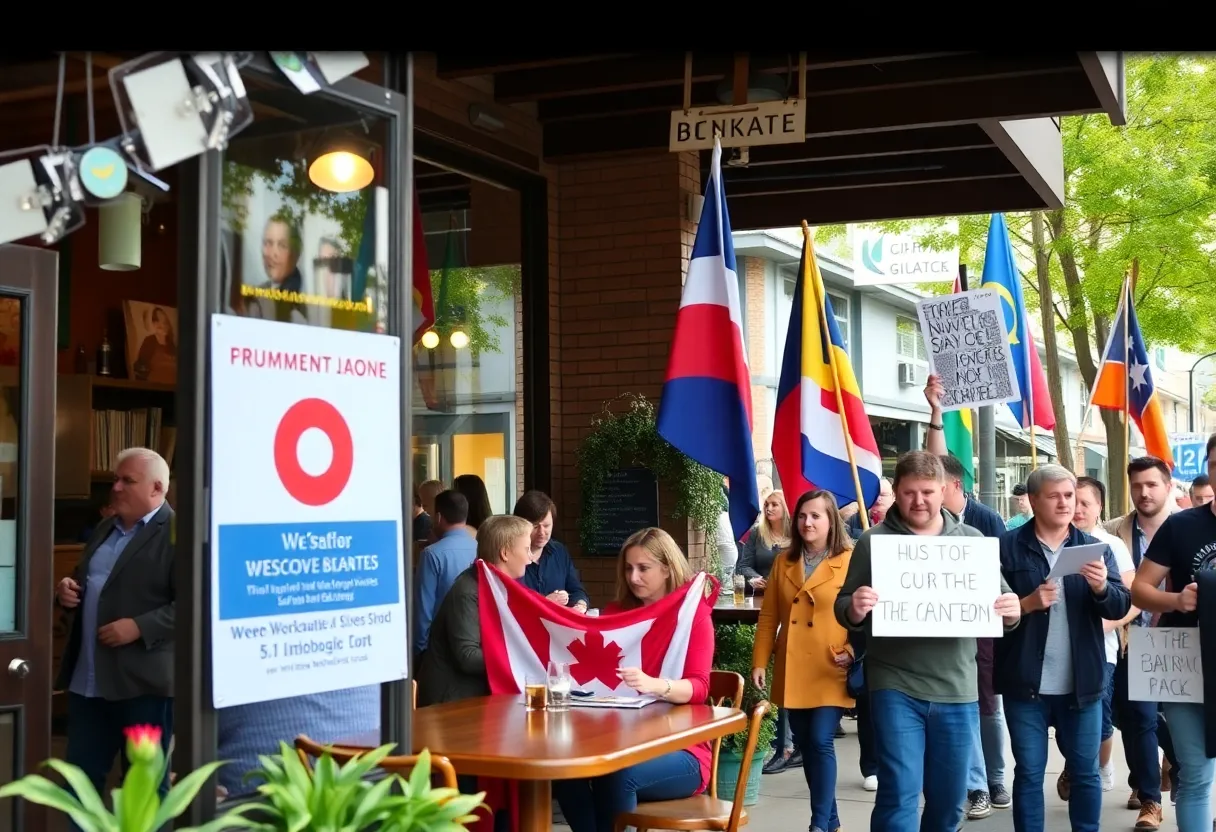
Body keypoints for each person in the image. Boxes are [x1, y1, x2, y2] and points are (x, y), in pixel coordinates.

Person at [835, 451, 1022, 832]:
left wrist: (1012, 609)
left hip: (956, 687)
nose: (918, 501)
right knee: (899, 793)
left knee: (949, 799)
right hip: (895, 685)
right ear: (897, 492)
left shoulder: (971, 541)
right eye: (908, 493)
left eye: (926, 492)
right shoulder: (874, 541)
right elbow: (843, 608)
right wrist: (855, 607)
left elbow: (1005, 609)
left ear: (944, 491)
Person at [996, 464, 1132, 832]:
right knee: (1028, 773)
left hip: (1083, 685)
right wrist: (1027, 602)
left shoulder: (1092, 548)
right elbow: (986, 612)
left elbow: (1121, 606)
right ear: (1034, 500)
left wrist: (1103, 587)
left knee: (1086, 773)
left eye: (1069, 496)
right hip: (1026, 685)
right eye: (1054, 496)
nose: (1064, 503)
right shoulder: (1006, 547)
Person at [554, 528, 715, 832]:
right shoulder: (617, 613)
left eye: (643, 568)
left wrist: (655, 684)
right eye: (628, 568)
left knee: (617, 775)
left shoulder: (693, 616)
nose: (633, 577)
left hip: (684, 750)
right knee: (566, 770)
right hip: (620, 741)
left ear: (667, 569)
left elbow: (699, 687)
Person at [55, 448, 175, 824]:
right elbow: (87, 579)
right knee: (79, 787)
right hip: (88, 683)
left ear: (157, 488)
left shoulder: (177, 532)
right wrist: (66, 591)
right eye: (115, 479)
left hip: (143, 686)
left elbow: (197, 603)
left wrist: (140, 626)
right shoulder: (107, 528)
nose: (116, 487)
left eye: (128, 481)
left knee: (144, 789)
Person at [752, 490, 854, 832]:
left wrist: (853, 651)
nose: (807, 522)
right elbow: (768, 617)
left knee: (821, 740)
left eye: (816, 516)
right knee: (806, 743)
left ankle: (819, 825)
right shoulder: (784, 560)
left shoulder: (852, 558)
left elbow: (867, 615)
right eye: (802, 516)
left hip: (831, 665)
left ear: (831, 521)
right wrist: (760, 661)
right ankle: (832, 819)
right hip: (792, 665)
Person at [1132, 432, 1216, 832]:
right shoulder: (1181, 526)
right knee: (1196, 774)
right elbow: (1140, 589)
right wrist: (1177, 601)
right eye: (1215, 464)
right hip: (1185, 664)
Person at [935, 453, 1010, 818]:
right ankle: (976, 785)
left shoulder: (985, 521)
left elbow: (1002, 574)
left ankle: (995, 779)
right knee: (965, 709)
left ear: (954, 486)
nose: (927, 497)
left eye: (936, 487)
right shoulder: (915, 529)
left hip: (980, 631)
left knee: (987, 707)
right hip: (938, 635)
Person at [1055, 476, 1138, 804]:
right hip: (1057, 654)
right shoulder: (1052, 540)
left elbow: (1131, 597)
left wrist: (1105, 624)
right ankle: (1077, 763)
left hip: (1098, 651)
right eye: (1072, 501)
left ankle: (1094, 767)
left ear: (1099, 507)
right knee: (1062, 723)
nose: (1076, 509)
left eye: (1084, 503)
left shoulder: (1110, 546)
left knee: (1100, 716)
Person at [1105, 456, 1172, 820]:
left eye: (1151, 485)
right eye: (1136, 486)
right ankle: (1150, 798)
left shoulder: (1186, 527)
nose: (1143, 493)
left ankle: (1173, 766)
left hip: (1182, 639)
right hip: (1134, 639)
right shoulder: (1114, 531)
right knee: (1137, 717)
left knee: (1173, 719)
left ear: (1168, 486)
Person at [416, 515, 535, 707]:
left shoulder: (491, 586)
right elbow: (468, 657)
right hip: (450, 707)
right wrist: (518, 656)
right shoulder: (468, 591)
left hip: (474, 698)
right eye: (526, 549)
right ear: (505, 553)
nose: (530, 558)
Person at [414, 490, 479, 657]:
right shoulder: (480, 548)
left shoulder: (432, 554)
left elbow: (423, 611)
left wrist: (419, 652)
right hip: (474, 644)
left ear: (438, 517)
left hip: (439, 649)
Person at [512, 490, 589, 612]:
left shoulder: (559, 551)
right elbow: (510, 601)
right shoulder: (510, 557)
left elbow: (576, 589)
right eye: (535, 527)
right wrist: (546, 602)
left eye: (547, 526)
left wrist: (580, 605)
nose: (542, 533)